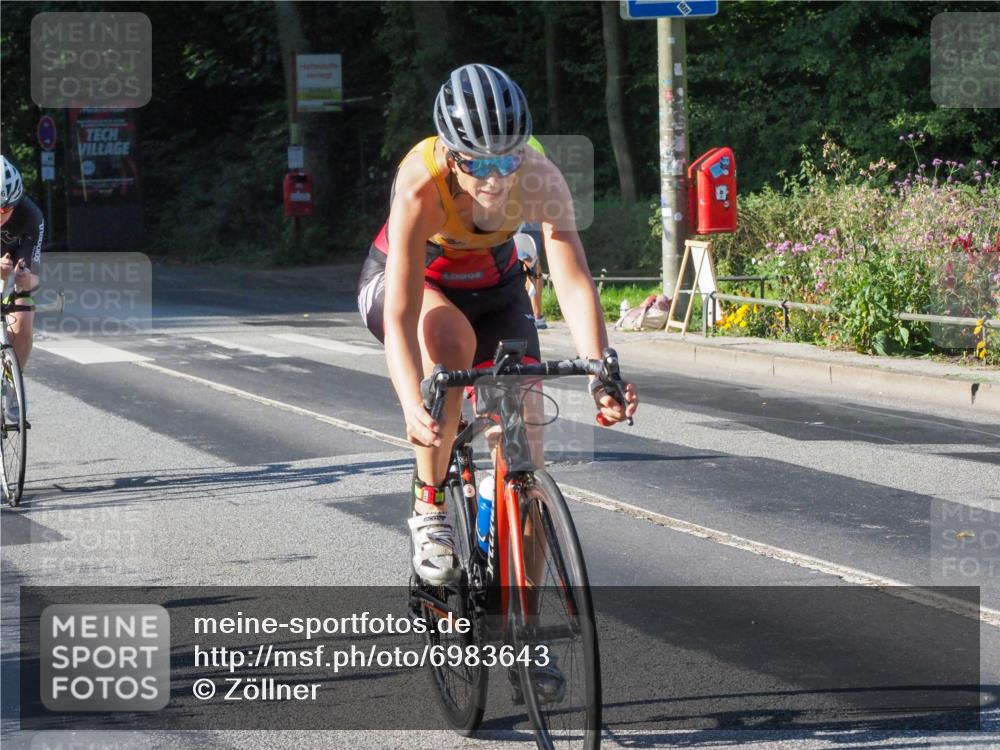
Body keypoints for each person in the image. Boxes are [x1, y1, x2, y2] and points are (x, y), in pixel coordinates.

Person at [357, 63, 638, 585]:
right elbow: (399, 314)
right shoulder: (421, 183)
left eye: (507, 159)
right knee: (452, 341)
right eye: (478, 164)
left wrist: (603, 369)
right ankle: (430, 508)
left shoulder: (540, 176)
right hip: (416, 284)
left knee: (526, 449)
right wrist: (411, 403)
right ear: (449, 152)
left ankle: (524, 632)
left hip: (496, 287)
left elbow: (572, 276)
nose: (495, 179)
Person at [0, 156, 42, 425]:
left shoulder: (30, 216)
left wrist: (23, 279)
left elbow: (35, 278)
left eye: (6, 210)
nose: (0, 216)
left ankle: (11, 387)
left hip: (13, 266)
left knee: (24, 320)